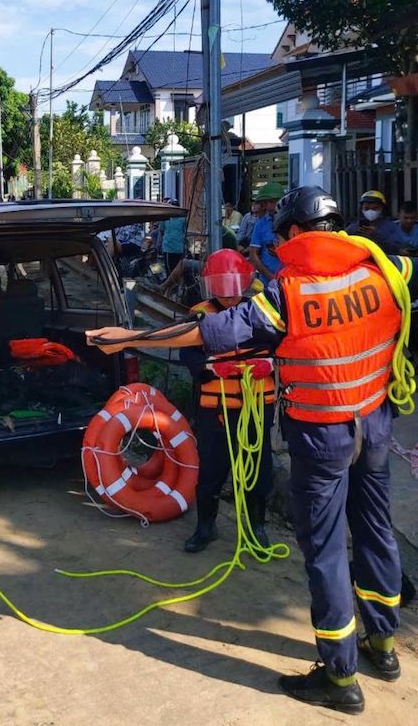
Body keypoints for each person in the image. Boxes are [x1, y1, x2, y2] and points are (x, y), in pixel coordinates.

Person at [87, 185, 417, 715]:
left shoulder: (289, 294)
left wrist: (127, 338)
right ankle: (383, 646)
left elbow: (206, 333)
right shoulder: (386, 270)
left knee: (328, 548)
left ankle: (339, 676)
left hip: (322, 437)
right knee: (375, 531)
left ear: (289, 233)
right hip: (374, 428)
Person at [180, 249, 274, 553]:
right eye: (221, 285)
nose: (229, 293)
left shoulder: (264, 310)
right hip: (214, 409)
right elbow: (188, 351)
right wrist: (203, 370)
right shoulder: (199, 313)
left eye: (233, 285)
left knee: (256, 471)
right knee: (211, 470)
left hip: (257, 406)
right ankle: (205, 528)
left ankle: (255, 529)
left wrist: (271, 364)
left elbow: (284, 346)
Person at [345, 190, 405, 254]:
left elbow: (397, 249)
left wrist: (376, 236)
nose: (370, 211)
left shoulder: (391, 227)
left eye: (374, 208)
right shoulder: (354, 226)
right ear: (362, 209)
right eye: (367, 208)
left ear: (382, 208)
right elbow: (343, 241)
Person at [249, 182, 285, 285]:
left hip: (289, 281)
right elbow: (253, 255)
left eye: (273, 202)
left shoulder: (291, 222)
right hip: (267, 282)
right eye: (266, 203)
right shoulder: (260, 224)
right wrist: (272, 277)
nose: (269, 206)